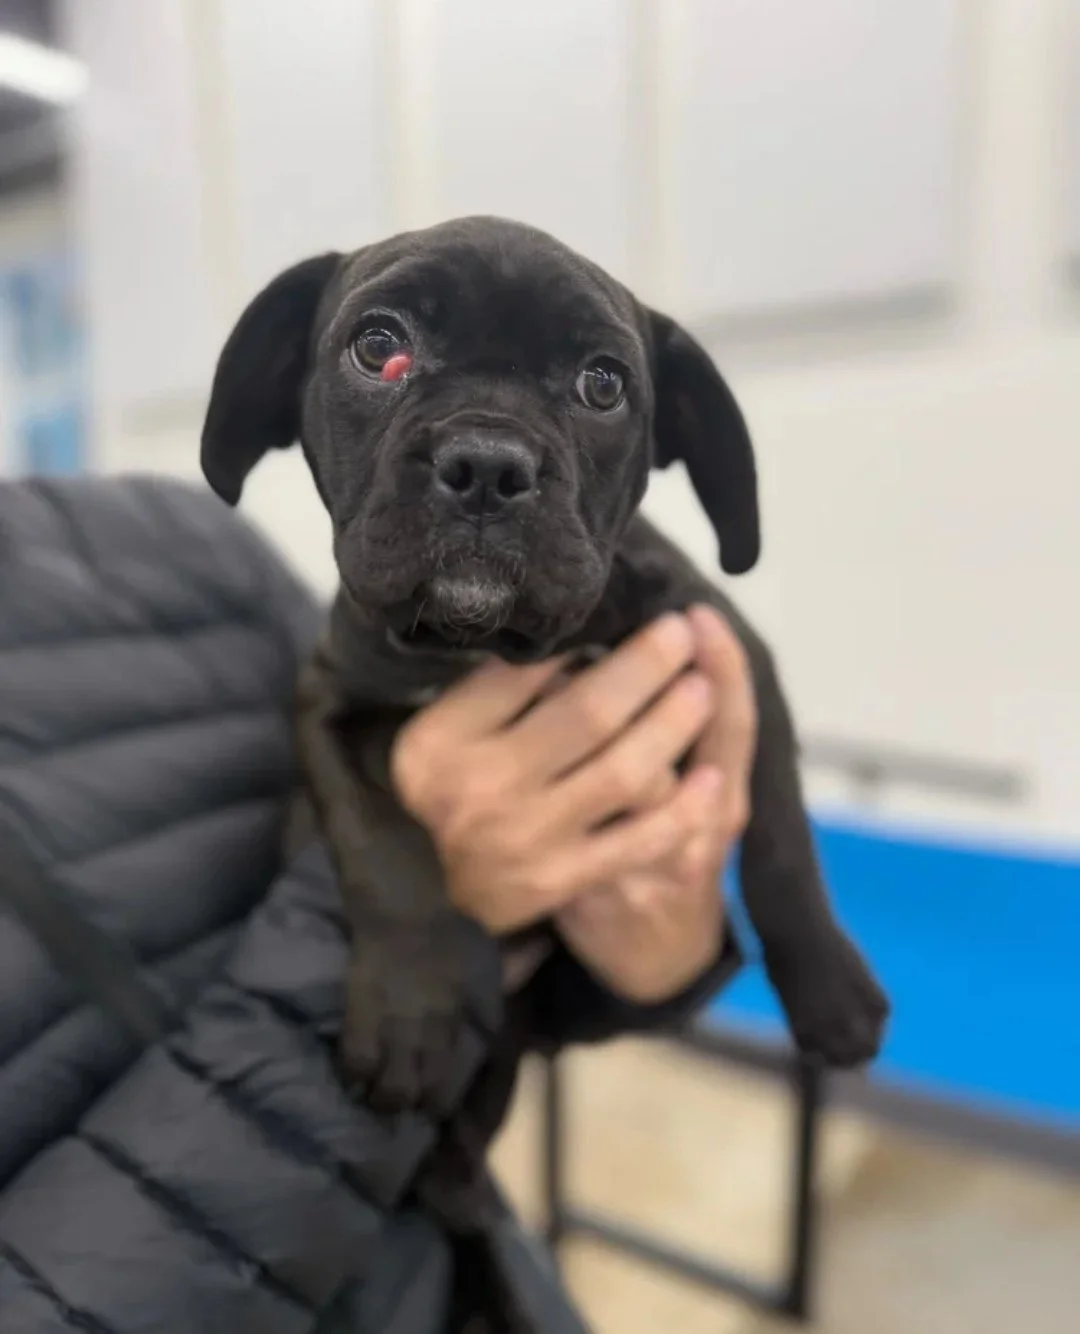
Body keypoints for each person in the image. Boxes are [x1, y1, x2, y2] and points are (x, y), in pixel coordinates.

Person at [0, 475, 757, 1334]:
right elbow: (445, 881)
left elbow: (490, 944)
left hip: (495, 1290)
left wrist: (629, 947)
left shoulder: (171, 537)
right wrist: (412, 914)